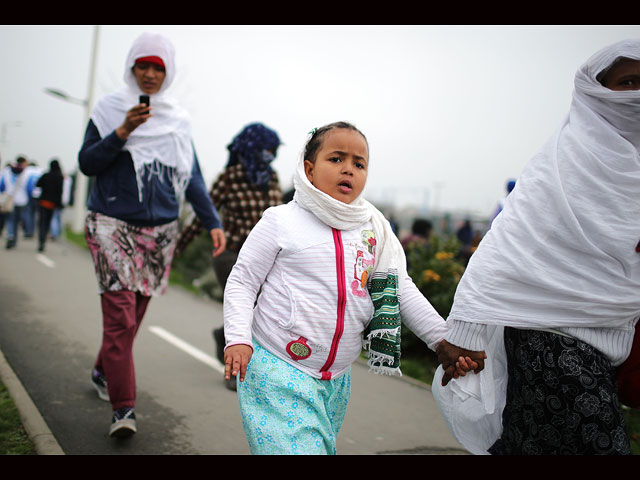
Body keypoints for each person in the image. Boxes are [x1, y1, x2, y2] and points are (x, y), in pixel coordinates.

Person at [222, 121, 485, 455]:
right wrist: (239, 339)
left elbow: (398, 288)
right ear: (309, 169)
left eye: (358, 163)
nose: (348, 169)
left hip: (336, 378)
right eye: (336, 159)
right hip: (276, 365)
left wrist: (442, 340)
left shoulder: (373, 229)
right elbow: (243, 282)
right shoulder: (280, 221)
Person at [432, 39, 640, 455]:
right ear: (595, 89)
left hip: (613, 340)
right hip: (547, 334)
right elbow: (504, 249)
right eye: (629, 81)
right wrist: (463, 332)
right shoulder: (562, 165)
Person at [78, 32, 225, 438]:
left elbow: (192, 176)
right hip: (111, 225)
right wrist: (123, 130)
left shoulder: (177, 120)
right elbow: (87, 162)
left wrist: (212, 221)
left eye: (158, 68)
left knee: (133, 317)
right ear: (131, 67)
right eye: (142, 65)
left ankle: (101, 369)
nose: (149, 74)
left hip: (160, 233)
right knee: (121, 320)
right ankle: (123, 410)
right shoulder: (110, 110)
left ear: (168, 72)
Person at [174, 122, 283, 391]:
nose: (271, 155)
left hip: (265, 258)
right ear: (252, 148)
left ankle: (224, 334)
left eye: (274, 151)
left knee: (262, 309)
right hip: (231, 254)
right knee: (248, 307)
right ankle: (236, 371)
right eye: (267, 149)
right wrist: (177, 248)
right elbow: (205, 214)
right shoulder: (230, 176)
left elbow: (283, 220)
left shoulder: (272, 178)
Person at [0, 156, 40, 249]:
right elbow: (30, 187)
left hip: (10, 200)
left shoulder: (7, 171)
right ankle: (17, 237)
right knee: (19, 220)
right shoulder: (27, 172)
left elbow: (1, 186)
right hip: (22, 200)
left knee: (11, 220)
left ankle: (11, 235)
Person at [35, 159, 64, 252]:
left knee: (42, 223)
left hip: (43, 202)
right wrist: (59, 204)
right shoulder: (59, 177)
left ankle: (41, 240)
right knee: (47, 223)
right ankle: (44, 240)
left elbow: (38, 184)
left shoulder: (46, 175)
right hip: (52, 204)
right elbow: (60, 191)